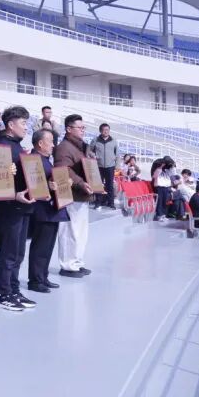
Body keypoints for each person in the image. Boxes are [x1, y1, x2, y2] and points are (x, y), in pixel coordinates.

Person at [0, 106, 38, 309]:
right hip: (11, 207)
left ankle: (14, 289)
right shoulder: (1, 146)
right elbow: (0, 180)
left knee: (19, 252)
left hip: (23, 206)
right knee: (9, 252)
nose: (26, 127)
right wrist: (14, 195)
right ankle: (5, 294)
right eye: (23, 123)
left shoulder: (17, 146)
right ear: (10, 125)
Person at [28, 128, 68, 293]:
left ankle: (43, 276)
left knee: (48, 246)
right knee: (40, 247)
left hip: (51, 210)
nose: (53, 145)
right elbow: (34, 184)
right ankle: (35, 280)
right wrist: (48, 186)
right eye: (50, 141)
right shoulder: (33, 160)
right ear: (40, 143)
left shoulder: (45, 160)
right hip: (42, 210)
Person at [54, 114, 95, 277]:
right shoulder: (64, 147)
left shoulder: (81, 147)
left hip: (82, 194)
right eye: (80, 127)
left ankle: (77, 261)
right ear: (69, 129)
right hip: (71, 194)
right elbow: (64, 170)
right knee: (70, 231)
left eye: (84, 127)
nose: (83, 130)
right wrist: (80, 182)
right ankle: (68, 265)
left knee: (81, 232)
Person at [90, 123, 118, 209]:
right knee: (98, 185)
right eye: (104, 130)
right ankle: (98, 202)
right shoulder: (95, 140)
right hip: (98, 166)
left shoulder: (113, 141)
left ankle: (111, 203)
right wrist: (93, 155)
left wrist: (117, 165)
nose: (106, 131)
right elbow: (89, 150)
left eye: (107, 130)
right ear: (100, 131)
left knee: (110, 185)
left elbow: (117, 154)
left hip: (110, 166)